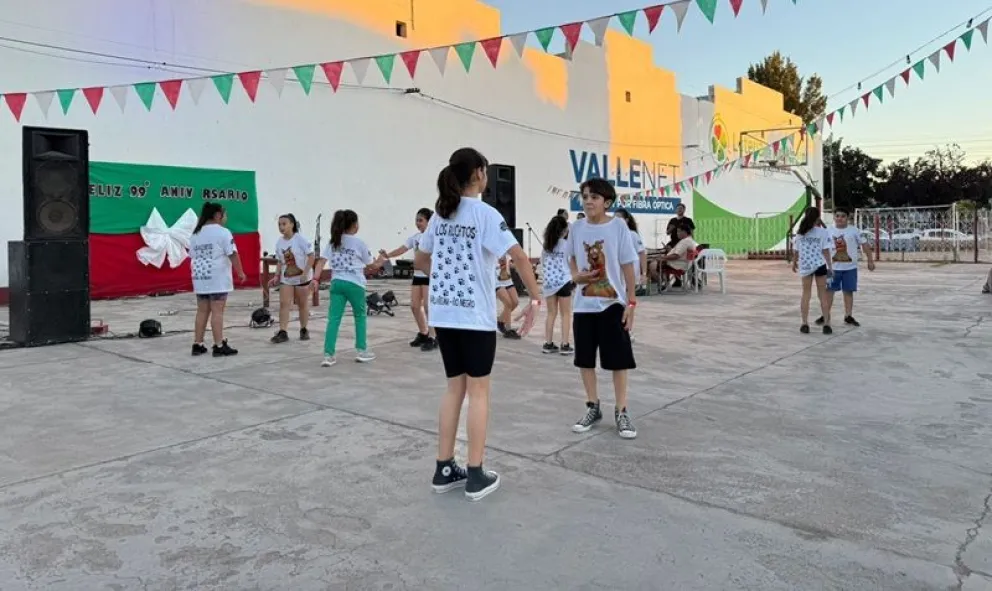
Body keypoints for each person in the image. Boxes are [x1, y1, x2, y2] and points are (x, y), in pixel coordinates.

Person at [416, 147, 541, 502]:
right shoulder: (485, 214)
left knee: (454, 388)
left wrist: (444, 275)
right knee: (479, 392)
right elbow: (517, 256)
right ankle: (474, 473)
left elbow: (422, 258)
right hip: (474, 318)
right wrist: (535, 298)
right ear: (480, 174)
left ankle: (444, 468)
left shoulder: (440, 216)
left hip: (443, 315)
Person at [568, 178, 639, 440]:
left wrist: (631, 302)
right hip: (583, 305)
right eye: (585, 196)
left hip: (612, 304)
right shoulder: (576, 228)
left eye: (594, 197)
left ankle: (621, 410)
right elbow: (572, 257)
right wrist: (576, 276)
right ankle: (592, 405)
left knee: (618, 359)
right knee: (585, 359)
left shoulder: (618, 227)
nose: (588, 201)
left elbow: (628, 265)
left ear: (606, 202)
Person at [313, 209, 387, 367]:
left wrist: (315, 279)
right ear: (354, 225)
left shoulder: (333, 241)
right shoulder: (359, 243)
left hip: (337, 283)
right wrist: (381, 260)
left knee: (333, 319)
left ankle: (328, 354)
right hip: (355, 284)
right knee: (360, 317)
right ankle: (361, 350)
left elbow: (321, 262)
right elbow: (371, 265)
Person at [188, 202, 246, 357]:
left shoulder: (195, 234)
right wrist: (240, 272)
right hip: (217, 278)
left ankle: (197, 343)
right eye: (225, 214)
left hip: (200, 277)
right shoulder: (223, 232)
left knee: (202, 311)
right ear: (218, 215)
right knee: (217, 311)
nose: (226, 217)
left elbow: (192, 255)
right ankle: (219, 345)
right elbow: (232, 253)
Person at [380, 208, 437, 351]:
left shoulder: (434, 237)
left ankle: (433, 337)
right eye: (416, 220)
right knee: (415, 306)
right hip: (417, 276)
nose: (418, 223)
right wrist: (388, 256)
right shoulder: (415, 237)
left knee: (430, 308)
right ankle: (423, 332)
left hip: (429, 276)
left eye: (421, 220)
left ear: (429, 221)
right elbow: (402, 249)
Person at [816, 207, 875, 327]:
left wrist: (870, 261)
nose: (840, 218)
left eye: (843, 216)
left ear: (848, 218)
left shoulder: (854, 231)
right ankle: (825, 315)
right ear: (834, 217)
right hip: (832, 268)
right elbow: (822, 248)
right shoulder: (828, 231)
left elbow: (865, 245)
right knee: (829, 292)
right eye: (837, 216)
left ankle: (848, 315)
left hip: (850, 268)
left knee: (848, 291)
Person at [269, 214, 316, 344]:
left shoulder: (300, 239)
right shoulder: (279, 242)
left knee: (302, 304)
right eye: (279, 224)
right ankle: (283, 332)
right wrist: (276, 276)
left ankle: (304, 329)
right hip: (287, 279)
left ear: (292, 224)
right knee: (284, 304)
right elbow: (280, 261)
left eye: (284, 224)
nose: (281, 227)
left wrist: (305, 273)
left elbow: (311, 256)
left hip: (302, 278)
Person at [791, 206, 833, 335]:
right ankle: (826, 324)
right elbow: (825, 250)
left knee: (806, 294)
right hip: (819, 265)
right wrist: (830, 266)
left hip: (805, 266)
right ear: (817, 218)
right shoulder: (822, 232)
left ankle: (804, 323)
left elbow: (796, 251)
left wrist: (794, 262)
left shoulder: (800, 233)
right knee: (822, 295)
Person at [540, 215, 573, 354]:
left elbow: (542, 263)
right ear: (564, 230)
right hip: (564, 282)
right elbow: (571, 262)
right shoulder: (566, 245)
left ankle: (548, 343)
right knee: (565, 314)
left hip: (549, 283)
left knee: (551, 313)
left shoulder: (546, 247)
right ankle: (565, 344)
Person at [655, 221, 698, 290]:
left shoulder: (685, 242)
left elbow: (676, 256)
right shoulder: (689, 240)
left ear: (684, 232)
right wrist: (670, 250)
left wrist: (663, 258)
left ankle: (662, 283)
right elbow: (679, 253)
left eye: (678, 231)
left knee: (652, 264)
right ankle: (663, 283)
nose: (677, 233)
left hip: (678, 265)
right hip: (682, 263)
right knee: (655, 261)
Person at [614, 208, 647, 292]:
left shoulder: (632, 235)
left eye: (619, 219)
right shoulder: (612, 236)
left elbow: (642, 254)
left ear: (626, 220)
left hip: (630, 276)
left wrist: (644, 274)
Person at [496, 257, 521, 339]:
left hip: (507, 279)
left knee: (515, 302)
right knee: (508, 303)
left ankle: (500, 320)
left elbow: (509, 263)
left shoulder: (506, 250)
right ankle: (508, 330)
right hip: (496, 280)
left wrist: (515, 265)